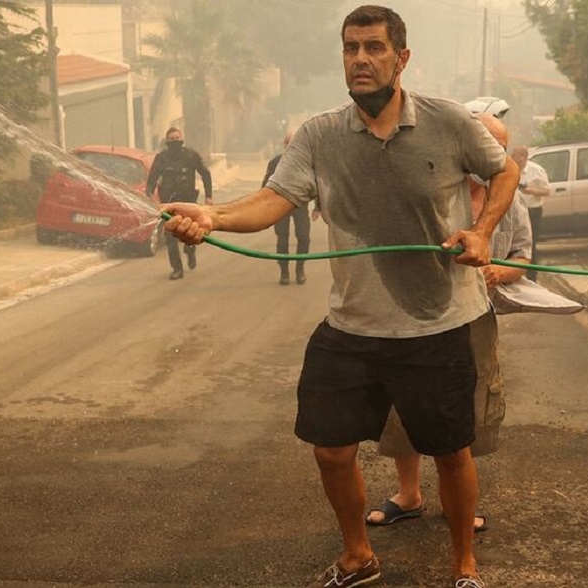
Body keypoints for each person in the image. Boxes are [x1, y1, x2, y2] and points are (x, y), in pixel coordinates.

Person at [161, 6, 520, 588]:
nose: (360, 58)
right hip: (353, 325)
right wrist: (213, 215)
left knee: (451, 452)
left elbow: (504, 171)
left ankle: (464, 567)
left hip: (438, 323)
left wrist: (482, 233)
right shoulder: (322, 134)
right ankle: (359, 556)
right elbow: (273, 200)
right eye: (351, 48)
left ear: (401, 59)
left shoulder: (449, 122)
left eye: (375, 48)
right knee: (329, 449)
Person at [366, 112, 529, 536]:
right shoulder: (434, 189)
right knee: (404, 403)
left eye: (499, 147)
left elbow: (523, 260)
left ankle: (461, 503)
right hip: (415, 314)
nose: (489, 155)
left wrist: (498, 271)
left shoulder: (510, 199)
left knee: (466, 408)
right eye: (484, 143)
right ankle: (409, 494)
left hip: (474, 316)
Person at [147, 127, 213, 280]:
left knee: (190, 232)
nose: (175, 141)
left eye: (178, 138)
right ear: (167, 141)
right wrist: (150, 197)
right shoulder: (161, 158)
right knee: (170, 238)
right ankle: (177, 269)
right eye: (172, 139)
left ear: (182, 139)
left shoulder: (191, 155)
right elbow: (152, 179)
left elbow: (205, 173)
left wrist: (208, 196)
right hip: (168, 204)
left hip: (188, 201)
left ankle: (190, 252)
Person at [262, 130, 311, 285]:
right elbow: (265, 187)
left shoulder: (308, 162)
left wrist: (319, 206)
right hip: (280, 207)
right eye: (288, 143)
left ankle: (300, 269)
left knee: (303, 238)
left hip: (300, 205)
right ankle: (284, 271)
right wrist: (264, 208)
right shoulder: (275, 163)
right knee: (282, 239)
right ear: (284, 145)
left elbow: (315, 183)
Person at [510, 146, 550, 282]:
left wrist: (531, 191)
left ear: (522, 157)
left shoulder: (536, 170)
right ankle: (515, 274)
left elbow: (547, 191)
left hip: (532, 211)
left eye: (514, 155)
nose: (512, 157)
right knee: (514, 243)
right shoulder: (511, 169)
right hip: (515, 212)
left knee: (530, 245)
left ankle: (532, 277)